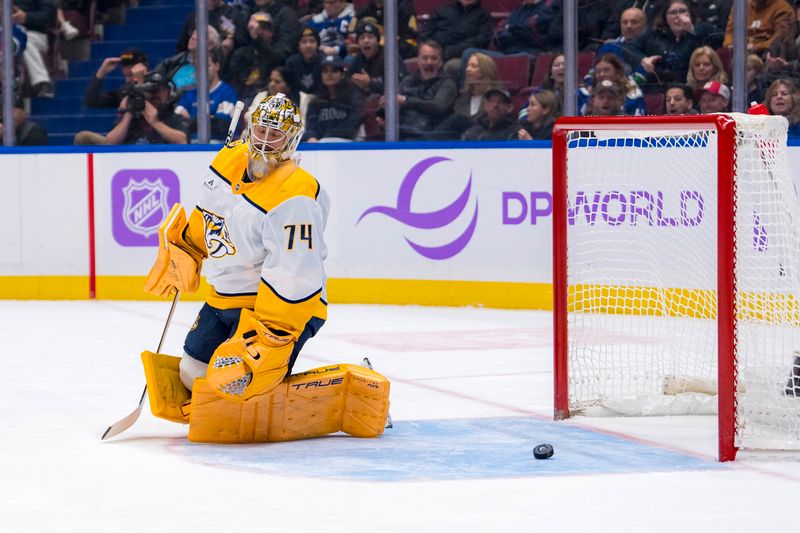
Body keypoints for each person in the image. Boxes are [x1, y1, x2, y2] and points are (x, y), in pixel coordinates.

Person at [143, 92, 329, 406]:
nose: (265, 140)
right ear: (249, 127)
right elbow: (210, 212)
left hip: (278, 310)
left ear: (291, 139)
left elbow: (295, 273)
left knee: (238, 384)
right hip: (224, 297)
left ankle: (321, 394)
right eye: (261, 130)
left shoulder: (296, 194)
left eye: (276, 134)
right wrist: (189, 249)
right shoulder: (229, 158)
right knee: (192, 375)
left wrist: (271, 335)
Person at [383, 40, 458, 140]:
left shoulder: (448, 83)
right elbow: (397, 101)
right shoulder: (408, 81)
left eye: (434, 58)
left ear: (440, 62)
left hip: (432, 136)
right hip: (403, 133)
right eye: (425, 58)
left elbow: (438, 106)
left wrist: (406, 101)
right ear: (418, 61)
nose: (429, 62)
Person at [630, 0, 705, 92]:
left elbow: (717, 42)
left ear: (690, 14)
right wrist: (643, 59)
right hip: (656, 86)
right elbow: (629, 47)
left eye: (682, 11)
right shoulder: (653, 34)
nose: (678, 17)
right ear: (665, 17)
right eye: (673, 12)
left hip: (688, 87)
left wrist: (692, 30)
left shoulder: (700, 32)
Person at [102, 70, 190, 145]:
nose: (155, 95)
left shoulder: (174, 117)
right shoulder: (133, 118)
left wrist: (155, 123)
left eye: (161, 90)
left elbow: (183, 140)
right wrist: (128, 115)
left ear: (168, 94)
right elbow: (109, 143)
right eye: (151, 91)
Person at [433, 51, 502, 139]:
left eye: (473, 66)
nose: (468, 69)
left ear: (485, 70)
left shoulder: (497, 98)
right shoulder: (460, 100)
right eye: (467, 66)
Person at [175, 48, 238, 143]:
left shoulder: (227, 93)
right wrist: (210, 118)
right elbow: (177, 122)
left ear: (217, 66)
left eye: (207, 66)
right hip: (190, 145)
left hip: (218, 145)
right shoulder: (189, 94)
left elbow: (221, 125)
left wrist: (191, 121)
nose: (202, 71)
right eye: (198, 67)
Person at [303, 54, 364, 142]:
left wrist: (327, 137)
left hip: (348, 145)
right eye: (325, 71)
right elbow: (310, 127)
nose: (329, 74)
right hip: (320, 145)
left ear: (342, 74)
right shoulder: (315, 102)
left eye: (334, 70)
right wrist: (311, 137)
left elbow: (352, 126)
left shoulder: (354, 98)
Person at [223, 11, 278, 102]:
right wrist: (226, 53)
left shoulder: (276, 52)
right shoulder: (241, 53)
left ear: (271, 32)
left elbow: (269, 58)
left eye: (263, 28)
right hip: (241, 97)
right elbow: (227, 76)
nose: (259, 32)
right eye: (256, 28)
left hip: (266, 98)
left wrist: (257, 39)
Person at [418, 0, 493, 64]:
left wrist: (451, 52)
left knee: (453, 66)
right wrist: (431, 50)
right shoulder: (442, 10)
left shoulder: (483, 16)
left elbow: (480, 41)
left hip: (458, 56)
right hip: (433, 52)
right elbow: (424, 34)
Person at [578, 53, 645, 116]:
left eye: (606, 70)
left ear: (618, 73)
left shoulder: (633, 95)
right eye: (598, 71)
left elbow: (638, 125)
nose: (602, 74)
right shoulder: (584, 95)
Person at [14, 0, 57, 98]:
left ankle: (42, 82)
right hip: (7, 33)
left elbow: (49, 16)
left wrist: (26, 17)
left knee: (22, 40)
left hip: (35, 34)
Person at [723, 0, 796, 55]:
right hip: (738, 51)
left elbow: (780, 39)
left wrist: (756, 47)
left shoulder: (782, 8)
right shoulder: (741, 6)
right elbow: (730, 31)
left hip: (764, 53)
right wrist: (730, 44)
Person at [83, 48, 148, 109]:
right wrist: (101, 72)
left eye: (131, 75)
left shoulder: (154, 87)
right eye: (126, 76)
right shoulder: (124, 92)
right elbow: (91, 101)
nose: (128, 80)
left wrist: (140, 82)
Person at [248, 0, 301, 64]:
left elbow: (283, 53)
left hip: (278, 67)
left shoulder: (287, 15)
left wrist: (257, 39)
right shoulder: (250, 13)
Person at [286, 27, 325, 97]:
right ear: (298, 46)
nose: (308, 45)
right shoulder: (291, 63)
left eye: (312, 41)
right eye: (304, 42)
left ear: (318, 45)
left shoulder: (324, 62)